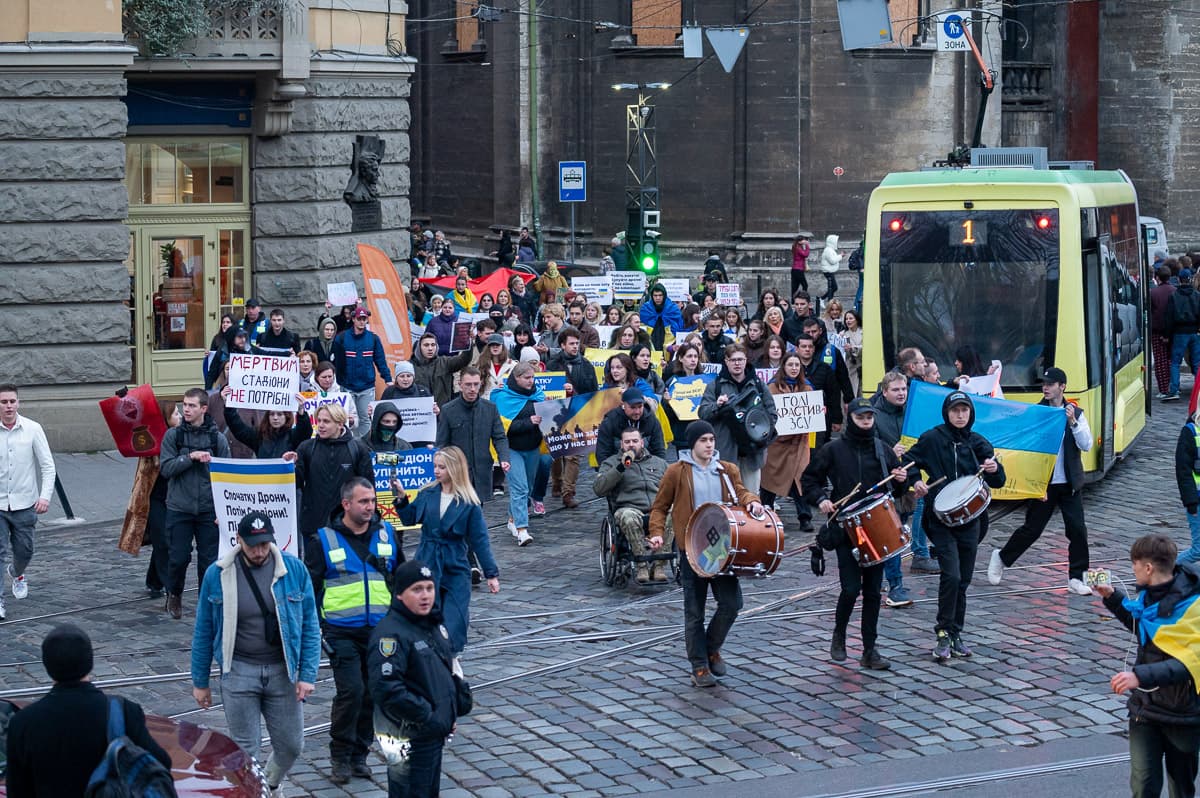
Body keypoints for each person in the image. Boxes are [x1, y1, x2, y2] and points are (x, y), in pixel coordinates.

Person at [191, 512, 320, 797]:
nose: (259, 551)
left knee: (291, 745)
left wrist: (308, 675)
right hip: (238, 672)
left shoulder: (294, 570)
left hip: (282, 671)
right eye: (253, 545)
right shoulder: (218, 573)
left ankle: (270, 784)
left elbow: (310, 625)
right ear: (239, 540)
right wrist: (200, 681)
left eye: (264, 544)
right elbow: (203, 629)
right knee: (245, 751)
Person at [650, 421, 762, 687]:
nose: (709, 445)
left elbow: (741, 492)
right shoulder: (677, 472)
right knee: (694, 612)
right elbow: (660, 507)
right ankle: (699, 666)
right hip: (692, 549)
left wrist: (752, 502)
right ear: (693, 444)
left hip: (722, 548)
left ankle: (711, 648)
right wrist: (656, 532)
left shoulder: (727, 469)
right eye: (703, 440)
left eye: (711, 439)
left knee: (732, 604)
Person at [802, 398, 911, 670]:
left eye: (869, 417)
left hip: (877, 529)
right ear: (850, 418)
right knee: (851, 589)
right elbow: (809, 480)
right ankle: (839, 634)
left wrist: (902, 480)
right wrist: (821, 500)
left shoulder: (882, 449)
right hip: (846, 528)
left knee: (873, 592)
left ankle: (870, 650)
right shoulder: (833, 449)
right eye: (860, 417)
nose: (865, 422)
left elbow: (896, 490)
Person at [4, 624, 172, 796]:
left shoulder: (23, 722)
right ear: (90, 662)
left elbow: (17, 790)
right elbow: (161, 762)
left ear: (47, 666)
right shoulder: (123, 711)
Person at [1095, 534, 1200, 798]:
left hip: (1182, 713)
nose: (1133, 570)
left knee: (1181, 789)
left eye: (1135, 564)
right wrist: (1112, 597)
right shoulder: (1147, 599)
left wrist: (1139, 676)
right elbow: (1145, 628)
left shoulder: (1194, 607)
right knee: (1143, 787)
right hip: (1145, 710)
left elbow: (1189, 663)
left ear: (1149, 568)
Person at [315, 477, 405, 785]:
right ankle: (340, 755)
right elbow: (310, 588)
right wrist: (319, 628)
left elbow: (401, 579)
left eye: (372, 500)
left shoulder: (386, 533)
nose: (370, 506)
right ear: (346, 504)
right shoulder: (324, 539)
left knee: (372, 694)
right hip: (340, 632)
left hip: (380, 633)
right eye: (363, 501)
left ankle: (359, 755)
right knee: (351, 692)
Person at [907, 391, 1006, 661]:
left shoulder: (978, 443)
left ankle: (955, 633)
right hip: (940, 520)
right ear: (947, 413)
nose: (960, 415)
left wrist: (995, 469)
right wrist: (916, 480)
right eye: (955, 411)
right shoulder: (932, 438)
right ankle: (942, 632)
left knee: (962, 580)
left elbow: (998, 481)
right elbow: (907, 463)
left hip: (971, 521)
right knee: (950, 575)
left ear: (970, 413)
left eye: (964, 411)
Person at [369, 560, 473, 798]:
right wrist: (429, 716)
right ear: (399, 594)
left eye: (429, 588)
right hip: (409, 735)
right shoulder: (390, 634)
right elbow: (386, 688)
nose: (425, 595)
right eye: (417, 589)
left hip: (429, 732)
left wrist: (450, 710)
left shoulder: (429, 624)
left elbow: (443, 672)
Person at [988, 367, 1093, 594]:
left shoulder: (1076, 413)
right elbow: (1025, 449)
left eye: (1050, 384)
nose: (1045, 388)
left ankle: (1077, 578)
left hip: (1069, 484)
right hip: (1044, 484)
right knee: (1032, 529)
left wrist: (1073, 423)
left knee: (1077, 530)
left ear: (1062, 387)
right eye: (1044, 384)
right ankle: (1002, 557)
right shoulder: (1037, 413)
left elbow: (1086, 444)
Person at [392, 447, 500, 654]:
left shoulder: (469, 503)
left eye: (441, 467)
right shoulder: (427, 493)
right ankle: (432, 659)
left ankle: (451, 655)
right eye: (435, 466)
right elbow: (409, 519)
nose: (436, 471)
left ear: (454, 468)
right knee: (427, 616)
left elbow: (480, 540)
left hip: (455, 565)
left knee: (455, 618)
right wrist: (402, 498)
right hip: (427, 562)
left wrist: (491, 574)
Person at [159, 387, 230, 620]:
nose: (186, 409)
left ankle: (205, 603)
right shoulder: (174, 436)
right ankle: (175, 593)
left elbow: (226, 476)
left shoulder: (217, 439)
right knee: (178, 558)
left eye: (191, 406)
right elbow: (166, 469)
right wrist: (190, 457)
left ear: (204, 409)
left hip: (208, 509)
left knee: (209, 561)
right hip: (179, 507)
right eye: (185, 405)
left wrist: (223, 509)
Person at [294, 404, 374, 583]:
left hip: (346, 527)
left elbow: (369, 487)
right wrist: (289, 467)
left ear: (340, 424)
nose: (321, 425)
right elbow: (296, 483)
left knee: (344, 577)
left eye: (326, 421)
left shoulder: (357, 449)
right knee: (314, 579)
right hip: (313, 526)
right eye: (319, 421)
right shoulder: (306, 448)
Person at [870, 370, 939, 575]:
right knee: (895, 519)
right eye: (896, 390)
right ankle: (886, 567)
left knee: (920, 508)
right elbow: (869, 446)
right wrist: (890, 452)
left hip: (914, 470)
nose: (901, 393)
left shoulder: (913, 410)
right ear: (884, 392)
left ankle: (920, 554)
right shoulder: (874, 415)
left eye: (903, 389)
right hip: (889, 476)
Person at [0, 384, 55, 620]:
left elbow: (48, 466)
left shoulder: (33, 429)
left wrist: (45, 496)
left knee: (25, 551)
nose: (8, 406)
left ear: (18, 403)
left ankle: (17, 572)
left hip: (25, 504)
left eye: (12, 401)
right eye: (4, 402)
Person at [594, 428, 671, 584]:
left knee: (675, 512)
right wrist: (620, 468)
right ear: (621, 445)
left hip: (657, 509)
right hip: (628, 507)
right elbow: (599, 489)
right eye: (627, 442)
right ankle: (641, 565)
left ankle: (659, 565)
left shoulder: (659, 463)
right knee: (628, 517)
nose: (631, 445)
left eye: (635, 441)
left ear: (642, 443)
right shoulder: (611, 463)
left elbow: (675, 487)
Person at [698, 343, 777, 494]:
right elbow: (702, 413)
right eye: (733, 360)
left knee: (751, 498)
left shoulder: (759, 385)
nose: (737, 363)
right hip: (726, 453)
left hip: (752, 455)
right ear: (726, 361)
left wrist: (761, 430)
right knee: (726, 499)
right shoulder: (715, 386)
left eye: (740, 359)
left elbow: (772, 414)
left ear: (746, 360)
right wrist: (717, 405)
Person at [491, 364, 551, 546]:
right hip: (511, 449)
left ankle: (512, 519)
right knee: (520, 488)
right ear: (516, 378)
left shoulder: (538, 394)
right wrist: (528, 422)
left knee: (528, 487)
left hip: (533, 447)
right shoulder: (503, 398)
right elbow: (501, 428)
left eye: (532, 377)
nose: (531, 381)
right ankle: (522, 530)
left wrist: (549, 407)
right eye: (527, 378)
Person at [760, 355, 814, 533]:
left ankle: (805, 517)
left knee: (800, 480)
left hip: (799, 444)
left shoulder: (807, 387)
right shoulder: (772, 387)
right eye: (790, 364)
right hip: (777, 444)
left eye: (797, 365)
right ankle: (765, 513)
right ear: (784, 366)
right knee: (770, 480)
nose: (794, 368)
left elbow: (812, 412)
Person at [547, 327, 599, 508]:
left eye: (577, 343)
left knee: (573, 455)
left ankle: (568, 492)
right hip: (556, 413)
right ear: (563, 345)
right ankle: (557, 481)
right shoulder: (553, 364)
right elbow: (546, 390)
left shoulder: (586, 365)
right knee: (557, 452)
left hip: (579, 413)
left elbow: (593, 391)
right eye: (571, 343)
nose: (575, 346)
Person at [332, 307, 393, 426]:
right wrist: (337, 382)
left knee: (366, 418)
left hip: (367, 386)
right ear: (353, 319)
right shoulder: (341, 338)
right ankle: (350, 439)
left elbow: (380, 360)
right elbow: (336, 362)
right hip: (347, 386)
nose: (361, 321)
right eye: (359, 319)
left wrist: (388, 379)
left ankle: (365, 439)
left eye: (364, 319)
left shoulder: (373, 338)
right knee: (348, 419)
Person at [222, 389, 312, 460]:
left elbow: (305, 432)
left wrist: (301, 412)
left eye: (279, 414)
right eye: (272, 414)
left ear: (287, 417)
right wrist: (228, 406)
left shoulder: (293, 436)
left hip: (286, 477)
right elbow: (239, 429)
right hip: (263, 477)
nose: (275, 418)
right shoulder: (259, 435)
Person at [595, 388, 668, 466]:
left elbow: (659, 451)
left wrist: (657, 469)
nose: (637, 411)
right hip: (618, 467)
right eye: (633, 407)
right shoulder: (610, 421)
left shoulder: (652, 421)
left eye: (640, 407)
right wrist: (612, 470)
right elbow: (602, 453)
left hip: (647, 468)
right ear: (623, 405)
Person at [411, 333, 474, 407]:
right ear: (419, 347)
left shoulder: (445, 362)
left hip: (443, 409)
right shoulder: (409, 366)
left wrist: (468, 342)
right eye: (426, 345)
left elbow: (463, 360)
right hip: (420, 410)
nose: (430, 348)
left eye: (433, 345)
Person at [1152, 265, 1178, 399]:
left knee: (1160, 360)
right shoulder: (1175, 291)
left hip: (1157, 331)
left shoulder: (1153, 293)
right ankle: (1174, 387)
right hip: (1174, 331)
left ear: (1158, 278)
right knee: (1172, 360)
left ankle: (1163, 388)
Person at [639, 283, 684, 350]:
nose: (658, 298)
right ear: (652, 296)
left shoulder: (673, 309)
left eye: (660, 295)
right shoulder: (645, 309)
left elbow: (680, 327)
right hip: (649, 344)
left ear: (664, 295)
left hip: (670, 345)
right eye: (655, 295)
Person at [818, 234, 841, 305]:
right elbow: (832, 261)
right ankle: (829, 303)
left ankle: (823, 299)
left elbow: (833, 258)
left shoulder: (830, 250)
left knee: (833, 287)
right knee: (832, 288)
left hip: (830, 271)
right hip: (828, 271)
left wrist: (839, 256)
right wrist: (840, 256)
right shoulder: (828, 250)